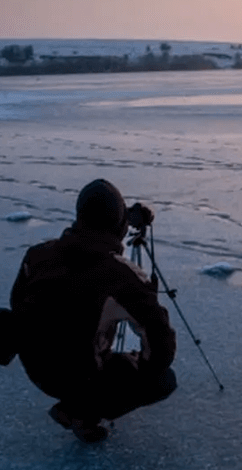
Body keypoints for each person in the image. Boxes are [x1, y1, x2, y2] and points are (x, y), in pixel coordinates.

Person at [10, 179, 177, 442]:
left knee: (76, 345)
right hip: (79, 376)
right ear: (120, 225)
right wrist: (136, 364)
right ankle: (83, 414)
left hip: (37, 370)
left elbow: (16, 304)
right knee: (163, 380)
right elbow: (161, 345)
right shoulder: (119, 275)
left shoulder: (37, 255)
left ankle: (71, 405)